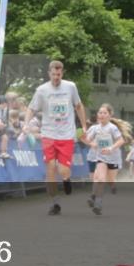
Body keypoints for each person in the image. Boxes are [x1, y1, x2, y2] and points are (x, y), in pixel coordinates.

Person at [26, 60, 88, 215]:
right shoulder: (42, 90)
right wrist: (26, 123)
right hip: (48, 134)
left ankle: (67, 180)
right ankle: (55, 203)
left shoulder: (70, 87)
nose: (56, 78)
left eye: (58, 75)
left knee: (64, 170)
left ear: (62, 73)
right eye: (53, 74)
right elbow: (31, 108)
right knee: (51, 169)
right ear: (49, 73)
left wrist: (84, 125)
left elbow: (79, 106)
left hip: (66, 135)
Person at [86, 104, 124, 216]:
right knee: (100, 178)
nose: (101, 114)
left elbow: (121, 141)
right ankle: (97, 203)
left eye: (104, 113)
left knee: (110, 180)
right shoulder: (95, 128)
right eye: (100, 112)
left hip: (113, 159)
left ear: (109, 115)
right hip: (101, 158)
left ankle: (96, 195)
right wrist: (91, 143)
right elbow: (87, 139)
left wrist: (111, 148)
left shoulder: (112, 128)